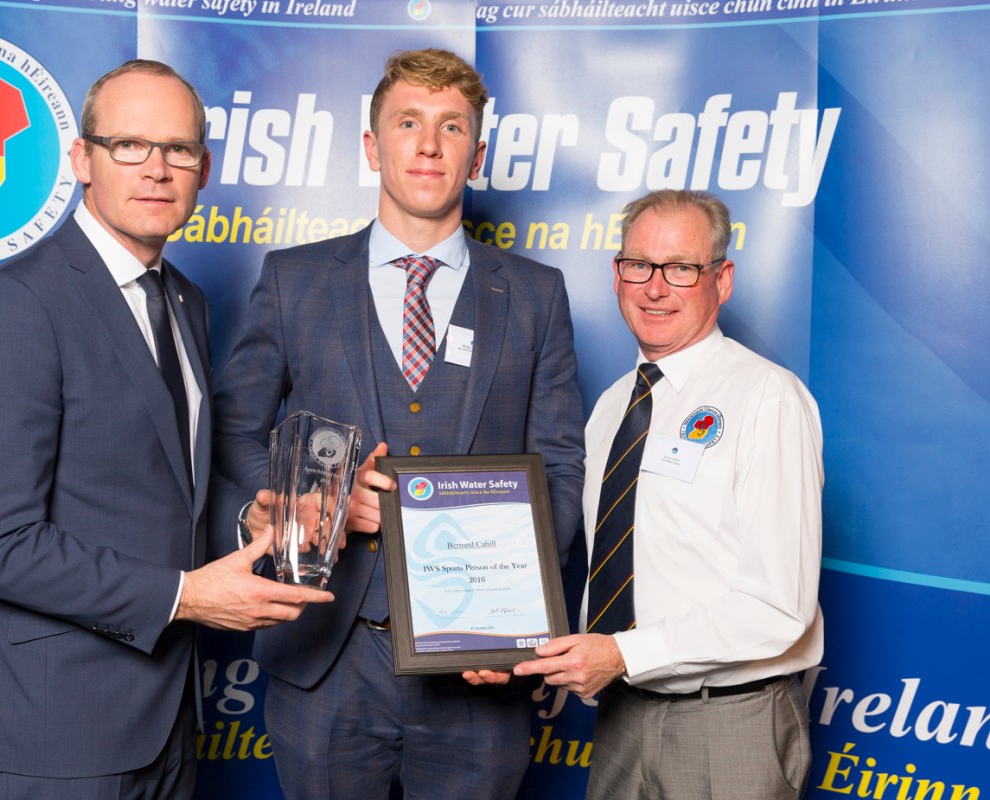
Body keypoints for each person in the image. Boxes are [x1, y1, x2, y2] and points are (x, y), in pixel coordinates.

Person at [0, 59, 331, 798]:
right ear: (82, 159)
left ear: (204, 167)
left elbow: (161, 485)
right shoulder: (17, 305)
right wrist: (184, 597)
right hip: (55, 725)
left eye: (178, 149)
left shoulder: (182, 300)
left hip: (167, 716)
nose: (157, 168)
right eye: (129, 145)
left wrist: (255, 517)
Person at [212, 48, 585, 799]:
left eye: (452, 128)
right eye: (407, 122)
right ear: (371, 145)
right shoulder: (294, 281)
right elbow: (231, 432)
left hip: (478, 673)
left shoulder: (537, 295)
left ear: (476, 156)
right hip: (323, 659)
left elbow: (561, 466)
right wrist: (294, 506)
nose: (427, 143)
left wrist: (520, 619)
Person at [514, 189, 824, 799]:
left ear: (722, 279)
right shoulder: (610, 409)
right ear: (617, 274)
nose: (656, 287)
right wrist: (506, 650)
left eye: (682, 268)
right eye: (639, 266)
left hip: (731, 724)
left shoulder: (768, 398)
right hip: (623, 718)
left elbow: (779, 607)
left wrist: (624, 654)